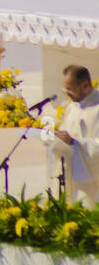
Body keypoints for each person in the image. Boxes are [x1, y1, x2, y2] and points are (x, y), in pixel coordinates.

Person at [43, 65, 99, 207]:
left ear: (85, 85)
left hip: (90, 182)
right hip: (70, 174)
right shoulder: (73, 106)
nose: (67, 94)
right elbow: (65, 135)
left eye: (70, 89)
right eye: (65, 89)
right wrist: (56, 137)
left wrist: (76, 143)